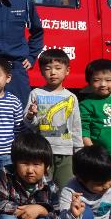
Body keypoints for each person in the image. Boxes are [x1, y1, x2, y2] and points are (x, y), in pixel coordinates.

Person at [24, 48, 83, 189]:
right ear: (41, 71)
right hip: (42, 150)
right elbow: (28, 123)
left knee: (66, 186)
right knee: (42, 187)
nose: (53, 72)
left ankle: (64, 211)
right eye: (48, 68)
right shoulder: (36, 93)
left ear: (67, 71)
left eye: (58, 68)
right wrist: (31, 115)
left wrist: (78, 149)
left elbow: (75, 125)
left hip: (65, 151)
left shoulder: (70, 97)